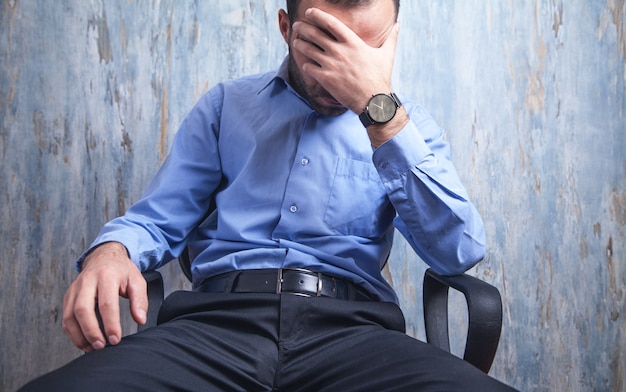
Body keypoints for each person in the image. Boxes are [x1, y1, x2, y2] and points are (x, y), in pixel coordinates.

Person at [20, 0, 515, 390]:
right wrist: (111, 252)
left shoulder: (409, 127)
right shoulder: (225, 106)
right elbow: (155, 220)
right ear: (286, 28)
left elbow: (458, 252)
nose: (338, 70)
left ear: (391, 40)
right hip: (213, 329)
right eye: (322, 45)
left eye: (362, 51)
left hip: (355, 335)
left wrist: (378, 110)